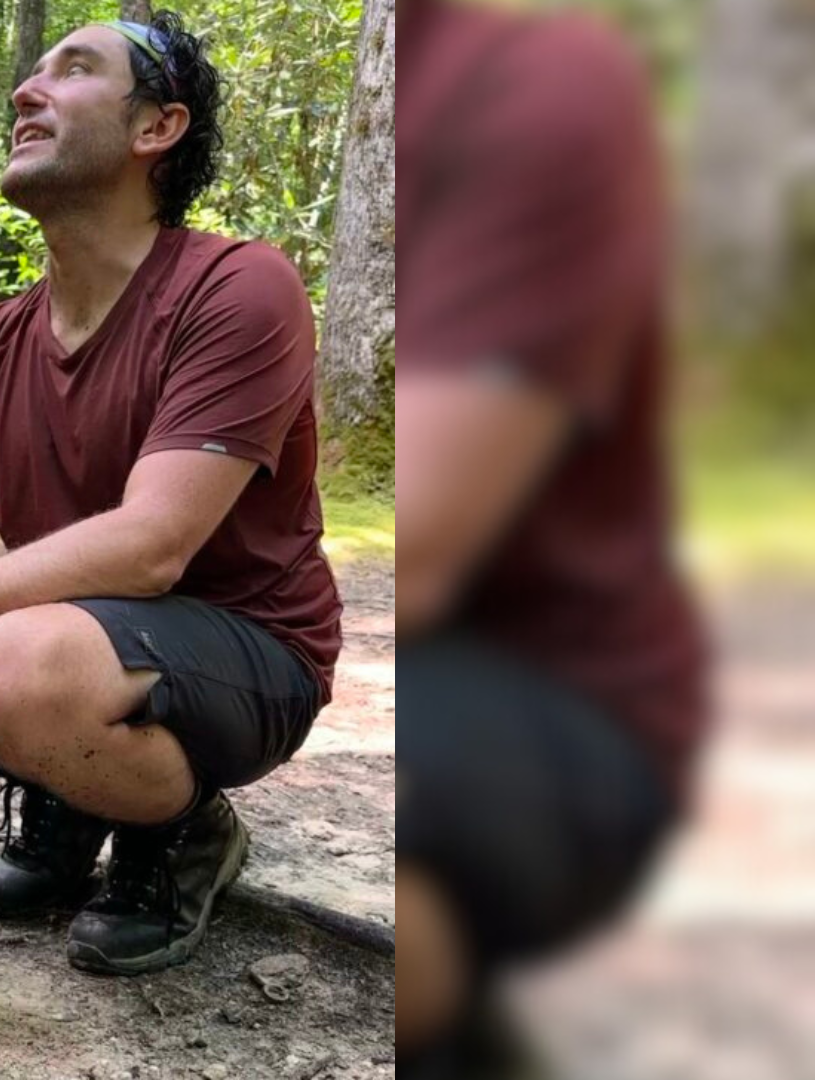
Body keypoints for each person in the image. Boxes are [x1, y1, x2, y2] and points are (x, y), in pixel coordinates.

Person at [0, 13, 341, 976]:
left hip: (251, 653)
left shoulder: (237, 287)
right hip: (69, 642)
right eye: (35, 73)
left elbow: (151, 547)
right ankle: (72, 783)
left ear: (156, 128)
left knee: (10, 656)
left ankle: (184, 829)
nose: (27, 89)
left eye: (75, 70)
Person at [397, 2, 705, 1073]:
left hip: (572, 691)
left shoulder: (536, 88)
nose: (29, 90)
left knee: (403, 835)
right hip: (437, 664)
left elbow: (419, 552)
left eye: (71, 67)